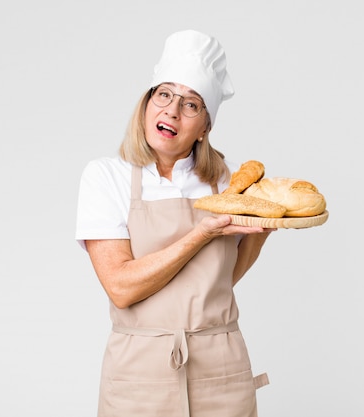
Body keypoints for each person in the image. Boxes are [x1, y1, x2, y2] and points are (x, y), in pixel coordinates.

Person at [75, 29, 274, 417]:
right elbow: (121, 287)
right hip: (139, 372)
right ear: (147, 104)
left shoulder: (228, 183)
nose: (171, 110)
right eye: (163, 94)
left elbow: (220, 279)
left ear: (205, 127)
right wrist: (202, 233)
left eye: (191, 104)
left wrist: (262, 231)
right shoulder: (106, 177)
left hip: (221, 367)